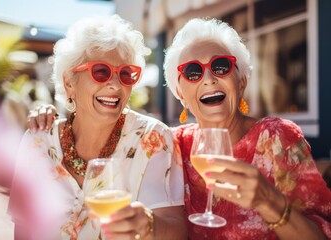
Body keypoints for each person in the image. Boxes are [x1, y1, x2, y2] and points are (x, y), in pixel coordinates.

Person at [27, 18, 331, 239]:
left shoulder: (277, 139)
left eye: (221, 66)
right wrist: (55, 115)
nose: (209, 79)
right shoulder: (173, 144)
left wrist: (270, 202)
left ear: (242, 81)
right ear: (180, 93)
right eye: (193, 72)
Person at [8, 15, 187, 240]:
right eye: (100, 71)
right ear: (69, 82)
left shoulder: (152, 139)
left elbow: (176, 229)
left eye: (125, 74)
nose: (115, 84)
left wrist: (149, 225)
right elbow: (23, 230)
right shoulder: (38, 141)